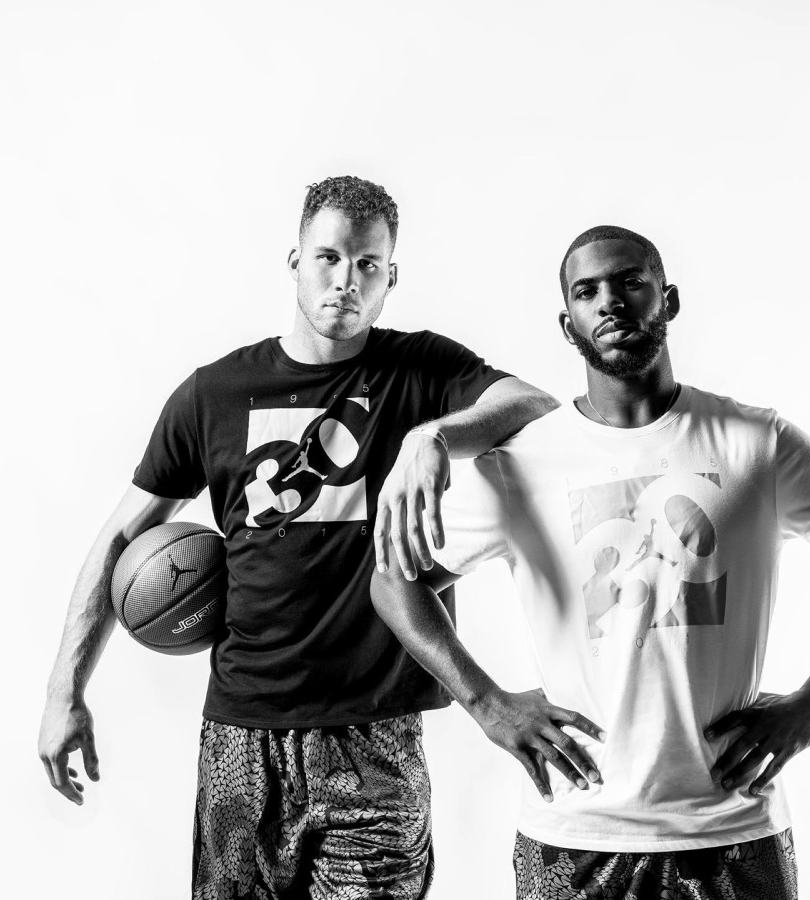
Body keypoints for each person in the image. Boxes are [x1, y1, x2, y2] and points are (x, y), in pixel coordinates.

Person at [37, 175, 560, 900]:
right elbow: (123, 534)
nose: (347, 280)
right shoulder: (213, 393)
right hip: (241, 734)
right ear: (295, 261)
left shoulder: (422, 369)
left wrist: (436, 435)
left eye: (368, 264)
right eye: (329, 257)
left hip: (376, 738)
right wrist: (64, 691)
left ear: (391, 278)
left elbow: (538, 407)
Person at [370, 225, 810, 899]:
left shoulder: (756, 442)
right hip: (574, 831)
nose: (610, 301)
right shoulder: (524, 462)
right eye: (587, 292)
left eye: (630, 282)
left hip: (731, 826)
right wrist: (486, 703)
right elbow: (394, 579)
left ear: (669, 300)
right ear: (567, 324)